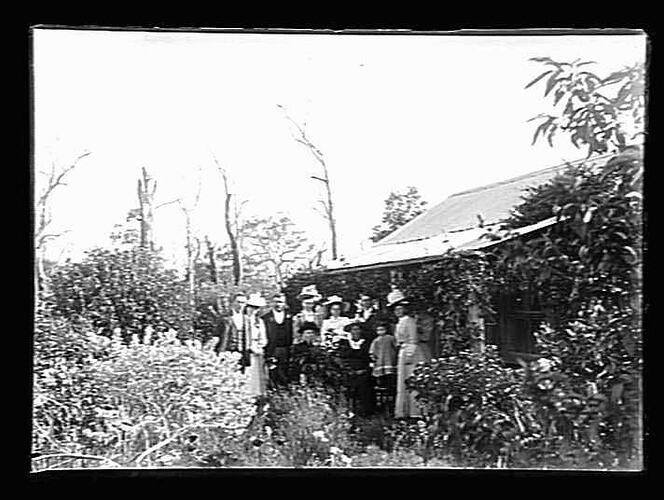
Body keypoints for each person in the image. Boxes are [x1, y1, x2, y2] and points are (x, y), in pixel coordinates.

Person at [389, 289, 432, 419]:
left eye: (400, 309)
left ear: (405, 309)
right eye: (395, 309)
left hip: (412, 354)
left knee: (412, 380)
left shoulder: (409, 320)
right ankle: (404, 411)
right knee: (403, 382)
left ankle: (416, 411)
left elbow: (413, 339)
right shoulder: (400, 321)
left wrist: (409, 355)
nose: (398, 311)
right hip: (403, 350)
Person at [339, 321, 374, 417]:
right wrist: (349, 370)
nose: (356, 331)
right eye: (353, 329)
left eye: (358, 329)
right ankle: (349, 411)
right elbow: (342, 358)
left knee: (365, 386)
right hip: (349, 372)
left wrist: (365, 369)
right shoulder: (344, 343)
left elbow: (370, 358)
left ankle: (365, 412)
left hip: (364, 370)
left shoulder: (367, 343)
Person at [213, 292, 250, 371]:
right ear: (233, 302)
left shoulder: (247, 319)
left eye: (243, 303)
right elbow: (217, 335)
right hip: (228, 352)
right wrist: (220, 351)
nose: (240, 305)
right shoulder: (224, 317)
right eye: (238, 302)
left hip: (242, 353)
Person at [262, 293, 293, 388]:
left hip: (286, 348)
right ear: (271, 303)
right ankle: (273, 391)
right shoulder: (265, 318)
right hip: (272, 349)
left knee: (285, 370)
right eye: (276, 302)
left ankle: (284, 391)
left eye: (281, 302)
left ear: (285, 303)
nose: (278, 304)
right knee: (273, 371)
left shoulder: (290, 317)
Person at [245, 293, 269, 398]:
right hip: (245, 349)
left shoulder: (259, 322)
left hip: (256, 350)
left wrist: (258, 347)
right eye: (251, 307)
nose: (253, 310)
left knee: (257, 376)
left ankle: (257, 396)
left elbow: (263, 338)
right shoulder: (242, 320)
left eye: (256, 308)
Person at [369, 322, 398, 399]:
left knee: (390, 378)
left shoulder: (390, 338)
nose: (380, 331)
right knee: (382, 379)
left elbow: (396, 346)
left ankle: (390, 392)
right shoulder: (376, 340)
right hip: (380, 362)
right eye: (378, 330)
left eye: (382, 329)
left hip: (390, 361)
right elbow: (372, 351)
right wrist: (373, 357)